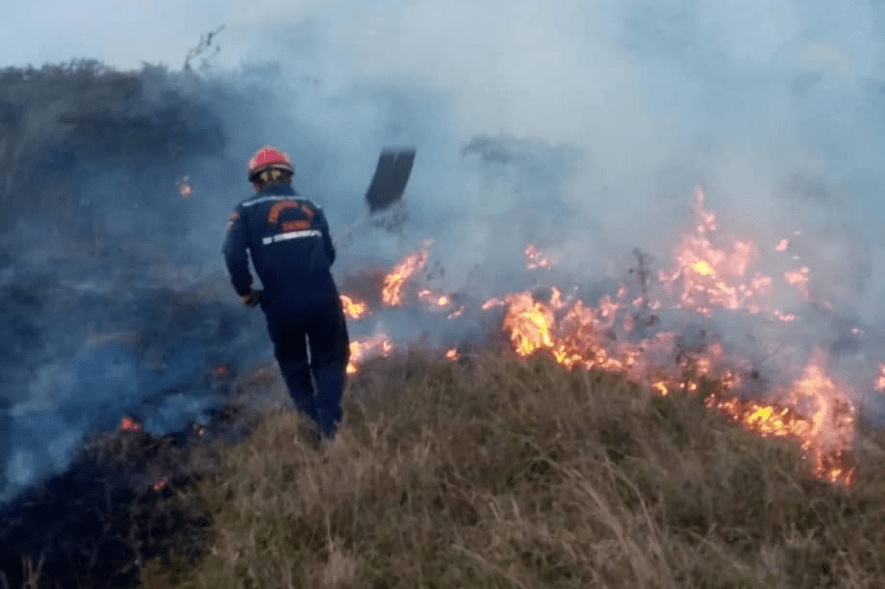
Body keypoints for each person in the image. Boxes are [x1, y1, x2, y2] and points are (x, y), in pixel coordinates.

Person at [222, 145, 350, 447]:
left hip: (281, 301)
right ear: (289, 177)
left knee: (293, 362)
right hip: (323, 296)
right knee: (331, 358)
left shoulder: (245, 211)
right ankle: (329, 425)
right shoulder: (312, 206)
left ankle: (309, 424)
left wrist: (246, 290)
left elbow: (232, 253)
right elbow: (329, 253)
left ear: (255, 181)